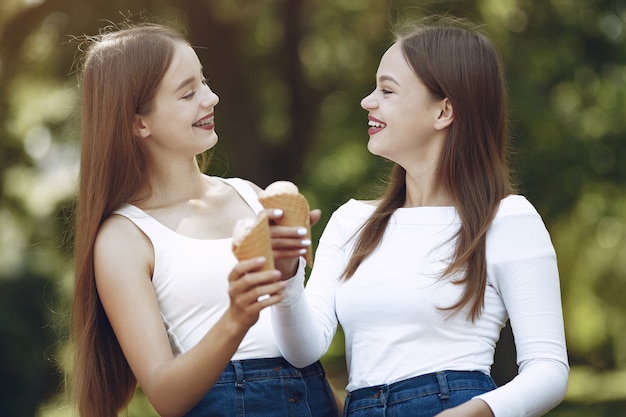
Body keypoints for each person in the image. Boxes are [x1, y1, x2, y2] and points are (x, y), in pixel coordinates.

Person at [270, 16, 569, 417]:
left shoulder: (507, 219)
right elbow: (304, 350)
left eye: (387, 90)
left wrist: (472, 413)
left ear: (443, 111)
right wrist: (286, 272)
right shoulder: (351, 222)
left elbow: (548, 369)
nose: (367, 101)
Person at [70, 21, 339, 417]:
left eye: (204, 81)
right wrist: (236, 318)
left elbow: (302, 344)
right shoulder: (124, 237)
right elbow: (165, 395)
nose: (210, 97)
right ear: (138, 121)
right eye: (187, 92)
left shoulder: (250, 195)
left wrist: (288, 273)